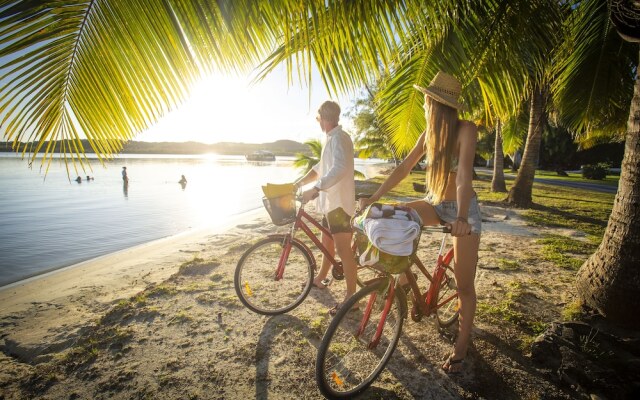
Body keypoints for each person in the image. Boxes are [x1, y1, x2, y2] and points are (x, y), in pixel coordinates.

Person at [360, 71, 481, 374]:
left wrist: (463, 218)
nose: (425, 103)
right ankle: (403, 282)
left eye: (427, 99)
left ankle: (462, 346)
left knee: (465, 285)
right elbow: (403, 168)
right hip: (433, 203)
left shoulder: (466, 129)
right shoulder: (427, 135)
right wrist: (374, 197)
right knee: (391, 214)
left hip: (462, 211)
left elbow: (464, 176)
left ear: (434, 102)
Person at [293, 100, 357, 316]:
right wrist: (300, 183)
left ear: (325, 118)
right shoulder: (331, 138)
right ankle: (320, 278)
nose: (318, 122)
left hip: (339, 203)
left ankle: (351, 296)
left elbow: (340, 168)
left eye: (319, 118)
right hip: (330, 204)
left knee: (343, 251)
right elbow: (321, 168)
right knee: (326, 244)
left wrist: (317, 188)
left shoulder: (340, 138)